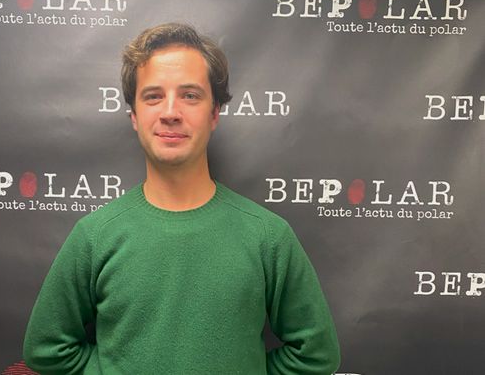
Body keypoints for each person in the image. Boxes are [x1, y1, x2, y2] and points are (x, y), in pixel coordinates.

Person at [23, 22, 341, 374]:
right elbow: (47, 350)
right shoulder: (95, 236)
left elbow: (316, 355)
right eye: (153, 96)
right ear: (134, 116)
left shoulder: (268, 236)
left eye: (190, 95)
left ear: (214, 113)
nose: (170, 112)